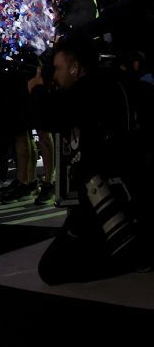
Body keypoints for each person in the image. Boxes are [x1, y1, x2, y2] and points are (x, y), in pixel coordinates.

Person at [28, 38, 153, 285]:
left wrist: (37, 90)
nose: (56, 76)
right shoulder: (115, 84)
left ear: (75, 68)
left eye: (58, 68)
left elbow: (50, 117)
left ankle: (133, 256)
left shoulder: (87, 91)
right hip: (122, 194)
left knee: (51, 270)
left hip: (105, 200)